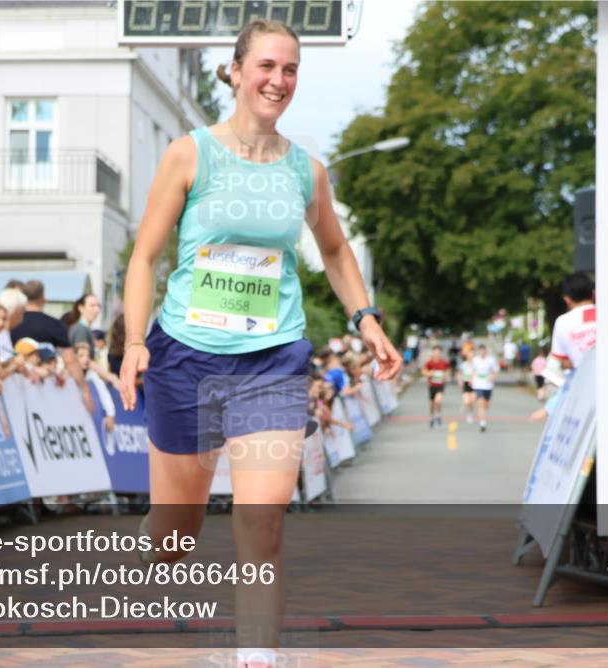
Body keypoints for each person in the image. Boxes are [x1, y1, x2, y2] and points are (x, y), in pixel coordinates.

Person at [117, 20, 402, 668]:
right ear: (239, 71)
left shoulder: (306, 168)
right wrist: (136, 340)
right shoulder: (191, 154)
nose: (279, 80)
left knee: (263, 519)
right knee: (174, 539)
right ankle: (156, 539)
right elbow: (145, 256)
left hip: (272, 359)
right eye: (268, 66)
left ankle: (256, 658)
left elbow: (333, 247)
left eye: (291, 69)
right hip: (185, 355)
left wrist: (367, 319)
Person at [551, 272, 597, 370]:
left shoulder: (562, 322)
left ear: (567, 299)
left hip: (580, 380)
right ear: (592, 293)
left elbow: (561, 359)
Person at [470, 344, 499, 433]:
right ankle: (482, 423)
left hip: (488, 385)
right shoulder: (475, 360)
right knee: (481, 404)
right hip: (478, 385)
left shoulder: (491, 360)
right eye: (480, 351)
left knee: (486, 405)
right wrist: (472, 380)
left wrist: (493, 377)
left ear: (486, 351)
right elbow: (472, 371)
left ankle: (482, 416)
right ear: (478, 351)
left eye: (483, 351)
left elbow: (496, 371)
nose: (482, 352)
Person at [64, 292, 101, 358]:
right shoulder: (81, 329)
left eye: (98, 306)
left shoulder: (84, 328)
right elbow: (82, 359)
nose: (97, 309)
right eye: (92, 306)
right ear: (81, 308)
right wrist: (102, 369)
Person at [423, 344, 450, 428]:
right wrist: (429, 374)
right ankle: (432, 416)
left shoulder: (444, 362)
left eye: (438, 352)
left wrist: (445, 376)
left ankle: (438, 415)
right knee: (432, 403)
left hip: (440, 385)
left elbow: (448, 371)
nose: (437, 354)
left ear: (440, 353)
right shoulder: (429, 362)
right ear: (433, 353)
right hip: (432, 385)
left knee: (438, 401)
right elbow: (424, 371)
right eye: (435, 352)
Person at [457, 347, 477, 424]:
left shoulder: (476, 364)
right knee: (467, 401)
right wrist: (460, 381)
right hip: (466, 383)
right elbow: (460, 373)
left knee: (472, 401)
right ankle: (466, 408)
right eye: (469, 354)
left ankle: (470, 413)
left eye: (472, 354)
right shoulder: (463, 364)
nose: (470, 355)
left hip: (474, 384)